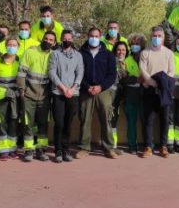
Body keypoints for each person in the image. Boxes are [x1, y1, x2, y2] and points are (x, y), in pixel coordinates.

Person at [76, 27, 118, 159]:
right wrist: (87, 86)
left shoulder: (108, 54)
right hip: (86, 90)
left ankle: (109, 148)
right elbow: (78, 73)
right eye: (91, 36)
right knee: (85, 119)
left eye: (96, 36)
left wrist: (101, 87)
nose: (94, 38)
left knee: (106, 119)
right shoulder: (80, 53)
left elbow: (112, 75)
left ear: (100, 37)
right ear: (87, 37)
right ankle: (84, 147)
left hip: (103, 90)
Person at [17, 31, 56, 162]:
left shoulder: (54, 55)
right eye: (46, 38)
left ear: (54, 43)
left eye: (51, 40)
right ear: (42, 39)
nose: (48, 41)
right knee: (28, 123)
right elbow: (21, 72)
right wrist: (22, 90)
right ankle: (28, 150)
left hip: (45, 96)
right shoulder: (30, 52)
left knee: (43, 124)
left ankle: (41, 150)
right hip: (28, 94)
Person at [138, 26, 176, 158]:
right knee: (148, 120)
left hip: (164, 91)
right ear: (151, 37)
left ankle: (163, 146)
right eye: (155, 36)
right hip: (149, 90)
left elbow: (171, 71)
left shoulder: (169, 53)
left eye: (159, 36)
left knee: (165, 120)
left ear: (163, 38)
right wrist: (153, 83)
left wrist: (162, 84)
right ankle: (148, 146)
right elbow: (143, 70)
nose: (157, 38)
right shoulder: (145, 53)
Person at [48, 30, 83, 163]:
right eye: (64, 38)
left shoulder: (78, 55)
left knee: (68, 123)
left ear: (72, 40)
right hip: (58, 93)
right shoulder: (55, 54)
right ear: (61, 39)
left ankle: (66, 149)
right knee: (59, 123)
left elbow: (80, 72)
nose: (67, 40)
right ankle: (58, 150)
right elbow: (52, 72)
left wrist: (73, 88)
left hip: (73, 93)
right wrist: (63, 88)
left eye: (69, 38)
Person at [0, 37, 21, 161]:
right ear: (6, 46)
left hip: (15, 96)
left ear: (18, 47)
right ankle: (3, 151)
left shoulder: (20, 61)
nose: (11, 47)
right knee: (1, 123)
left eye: (14, 45)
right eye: (9, 45)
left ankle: (12, 149)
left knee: (13, 122)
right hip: (0, 96)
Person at [121, 33, 146, 153]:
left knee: (146, 121)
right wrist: (136, 79)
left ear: (142, 45)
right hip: (130, 94)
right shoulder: (126, 60)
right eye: (133, 44)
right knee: (131, 121)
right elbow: (123, 78)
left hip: (145, 93)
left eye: (137, 44)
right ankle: (132, 145)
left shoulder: (146, 58)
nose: (135, 46)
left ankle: (148, 145)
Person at [111, 41, 129, 151]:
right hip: (113, 95)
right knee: (113, 119)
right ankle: (112, 144)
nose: (121, 52)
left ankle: (132, 144)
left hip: (127, 95)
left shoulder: (129, 62)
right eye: (118, 50)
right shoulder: (111, 61)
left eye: (123, 50)